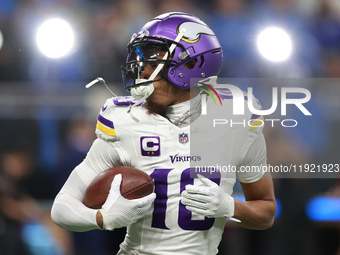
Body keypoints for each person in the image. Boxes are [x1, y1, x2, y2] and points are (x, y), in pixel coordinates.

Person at [51, 12, 277, 255]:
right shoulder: (126, 122)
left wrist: (230, 207)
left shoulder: (237, 121)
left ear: (191, 64)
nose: (143, 72)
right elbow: (62, 207)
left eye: (153, 61)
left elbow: (265, 212)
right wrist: (103, 218)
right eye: (141, 60)